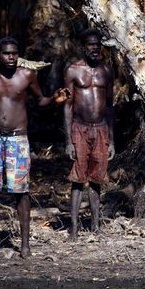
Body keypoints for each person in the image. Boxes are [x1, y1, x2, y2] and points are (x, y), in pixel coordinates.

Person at [0, 37, 66, 258]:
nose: (11, 57)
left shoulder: (27, 75)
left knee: (21, 192)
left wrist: (54, 99)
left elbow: (40, 101)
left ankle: (25, 247)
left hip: (18, 139)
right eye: (7, 53)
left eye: (15, 53)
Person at [63, 29, 115, 241]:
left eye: (97, 44)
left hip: (101, 128)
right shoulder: (73, 71)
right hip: (80, 128)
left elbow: (110, 106)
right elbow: (66, 106)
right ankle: (74, 229)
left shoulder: (107, 71)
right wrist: (68, 141)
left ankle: (95, 226)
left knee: (97, 179)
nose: (95, 48)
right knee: (78, 179)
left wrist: (112, 140)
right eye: (91, 45)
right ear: (83, 47)